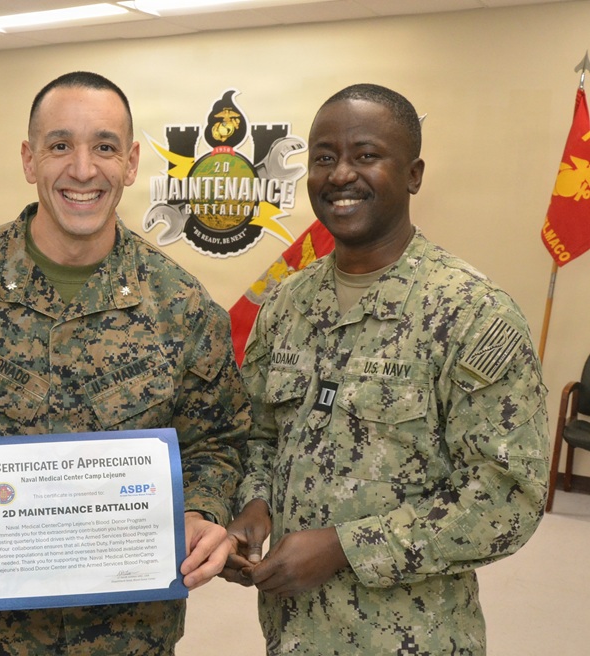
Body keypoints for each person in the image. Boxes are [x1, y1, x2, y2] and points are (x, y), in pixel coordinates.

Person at [0, 71, 250, 654]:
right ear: (29, 160)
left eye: (104, 146)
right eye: (60, 146)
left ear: (131, 163)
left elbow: (217, 441)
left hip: (127, 634)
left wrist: (201, 511)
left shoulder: (181, 306)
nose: (82, 169)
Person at [223, 83, 549, 654]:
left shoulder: (472, 313)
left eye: (366, 155)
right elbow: (259, 435)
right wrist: (255, 504)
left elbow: (508, 498)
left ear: (413, 174)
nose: (340, 174)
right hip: (291, 631)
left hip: (413, 638)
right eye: (324, 157)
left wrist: (346, 548)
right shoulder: (285, 304)